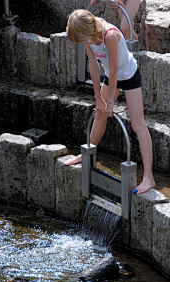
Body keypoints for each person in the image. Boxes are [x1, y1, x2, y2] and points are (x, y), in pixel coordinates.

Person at [65, 9, 155, 194]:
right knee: (99, 115)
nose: (84, 42)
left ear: (88, 29)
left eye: (83, 38)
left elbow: (114, 70)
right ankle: (87, 153)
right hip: (110, 75)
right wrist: (98, 98)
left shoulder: (110, 35)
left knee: (138, 125)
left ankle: (148, 177)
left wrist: (111, 103)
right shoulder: (87, 37)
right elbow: (94, 65)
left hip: (128, 75)